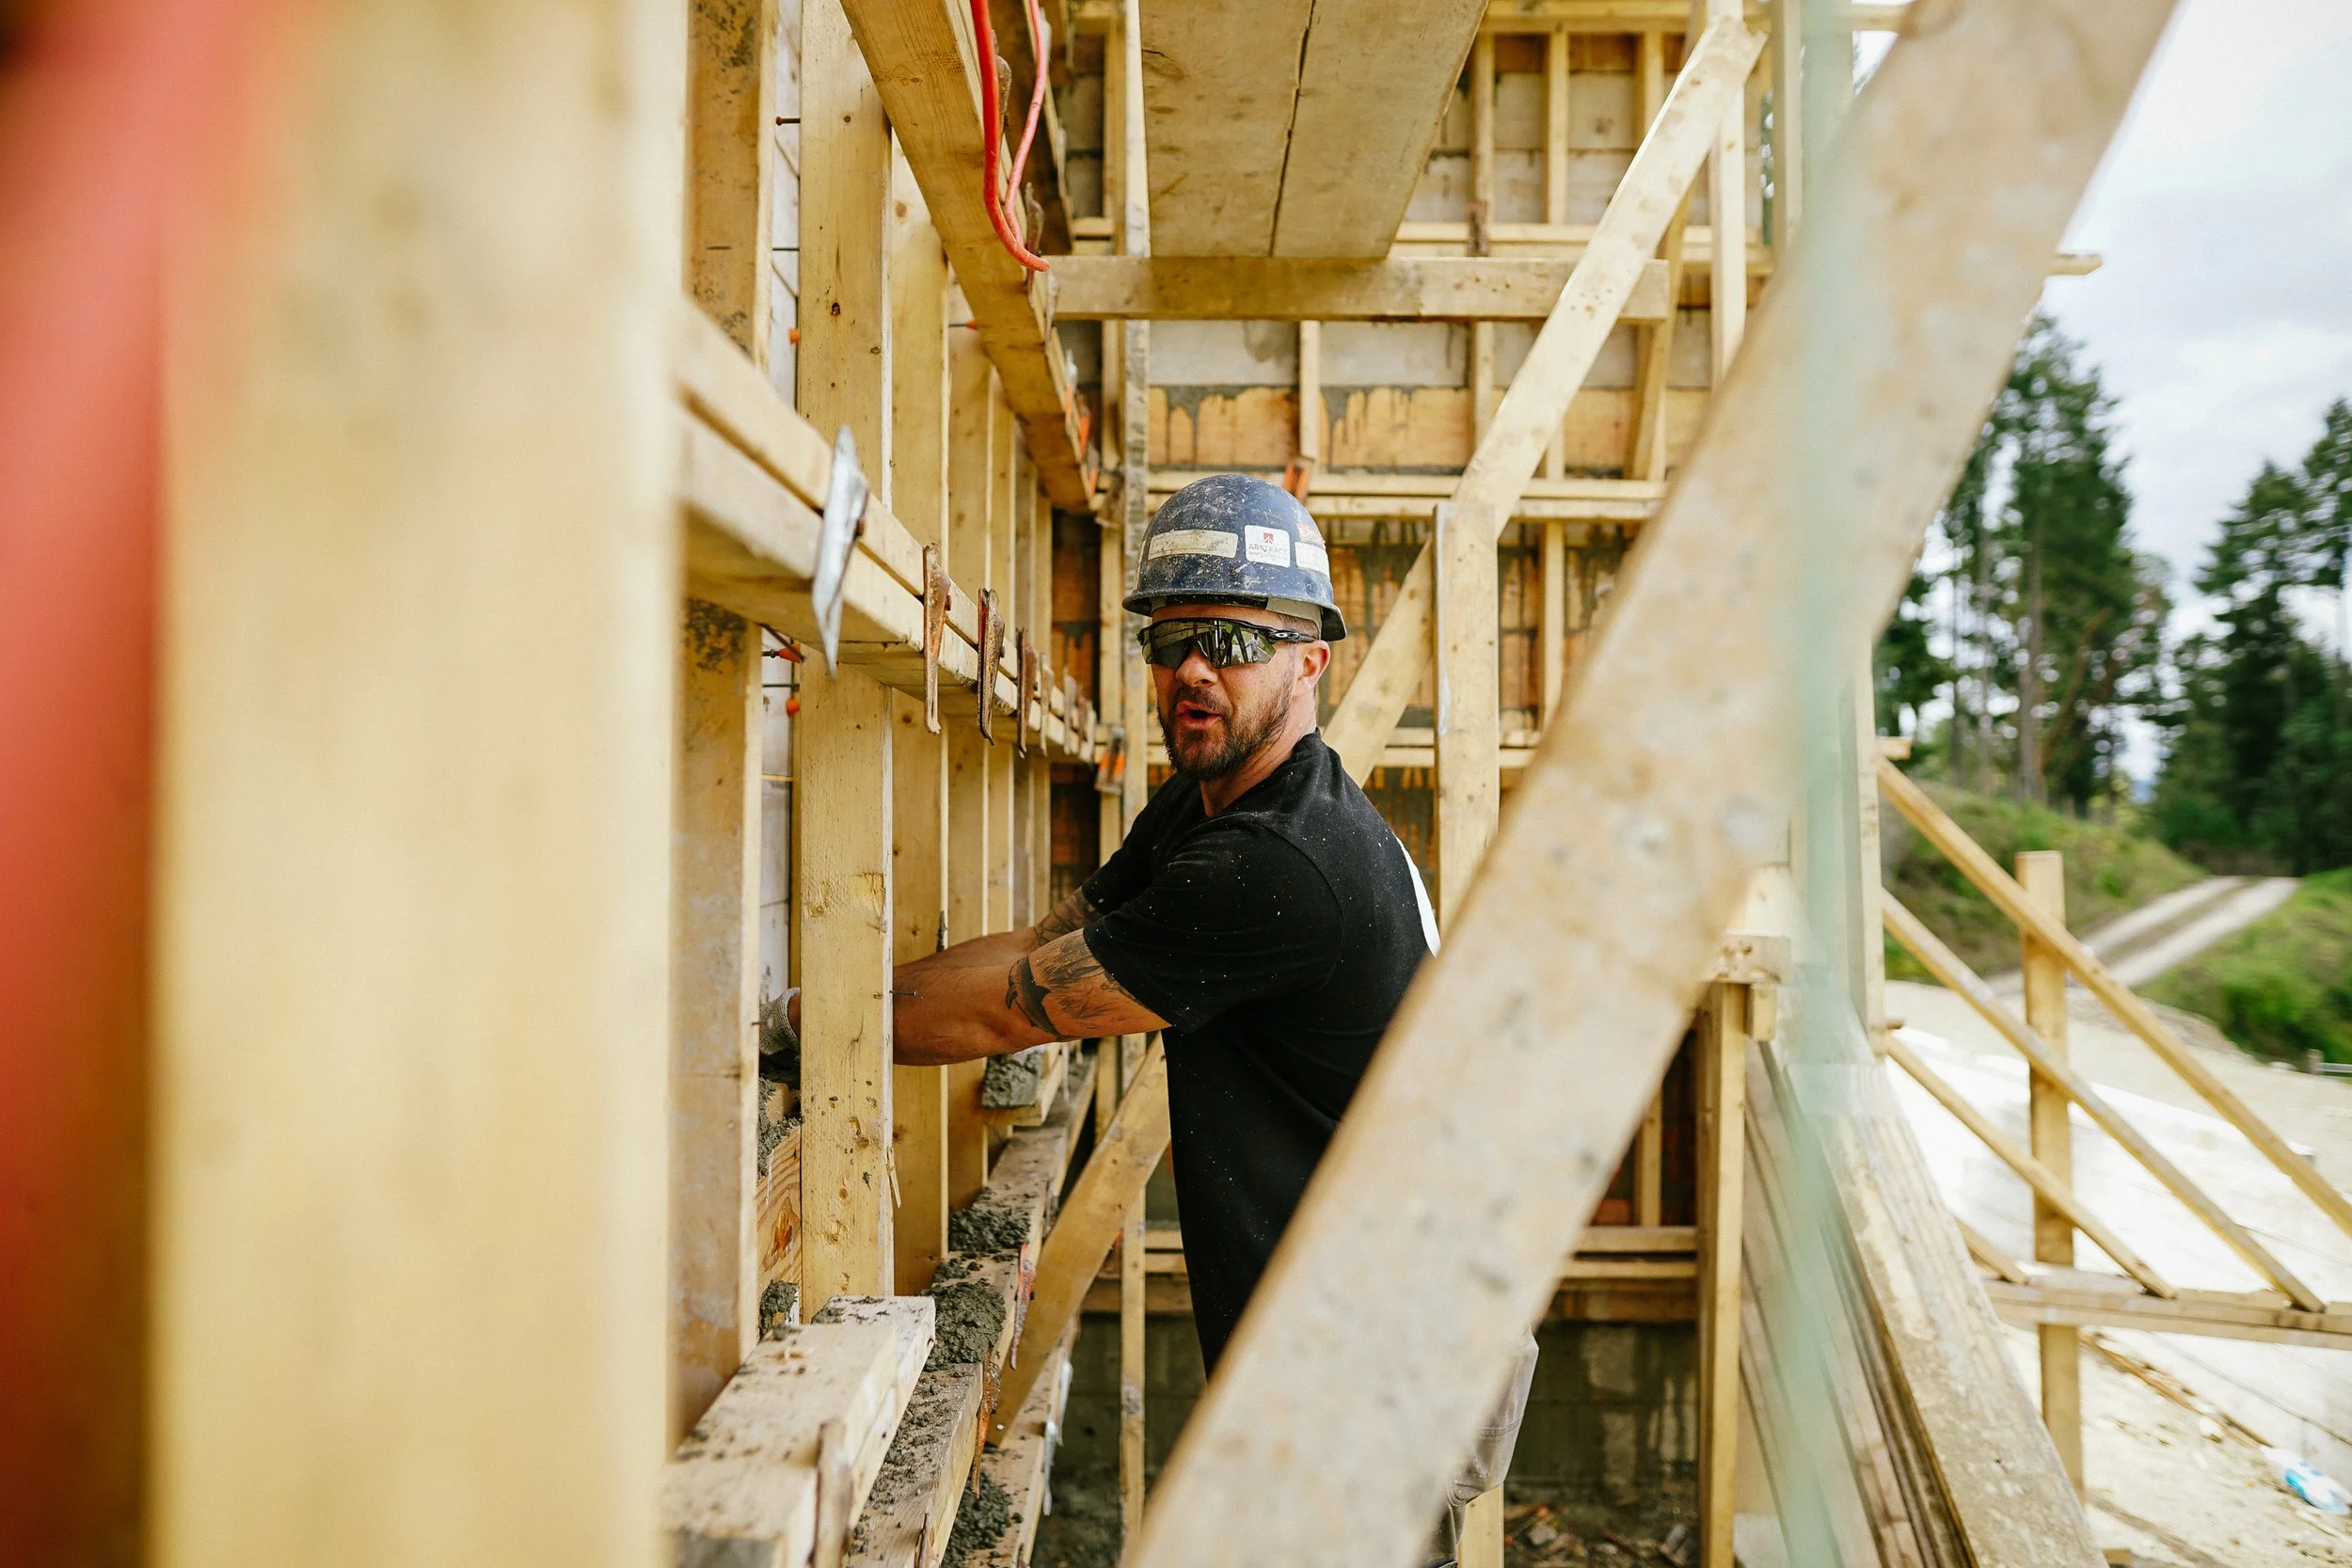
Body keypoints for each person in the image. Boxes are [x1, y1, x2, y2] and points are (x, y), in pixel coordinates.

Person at [780, 471, 1529, 1564]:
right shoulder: (1209, 800)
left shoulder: (1280, 865)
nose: (1189, 671)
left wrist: (804, 1018)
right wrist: (843, 994)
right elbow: (1044, 950)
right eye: (1169, 638)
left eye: (1228, 640)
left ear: (1309, 658)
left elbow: (1009, 1014)